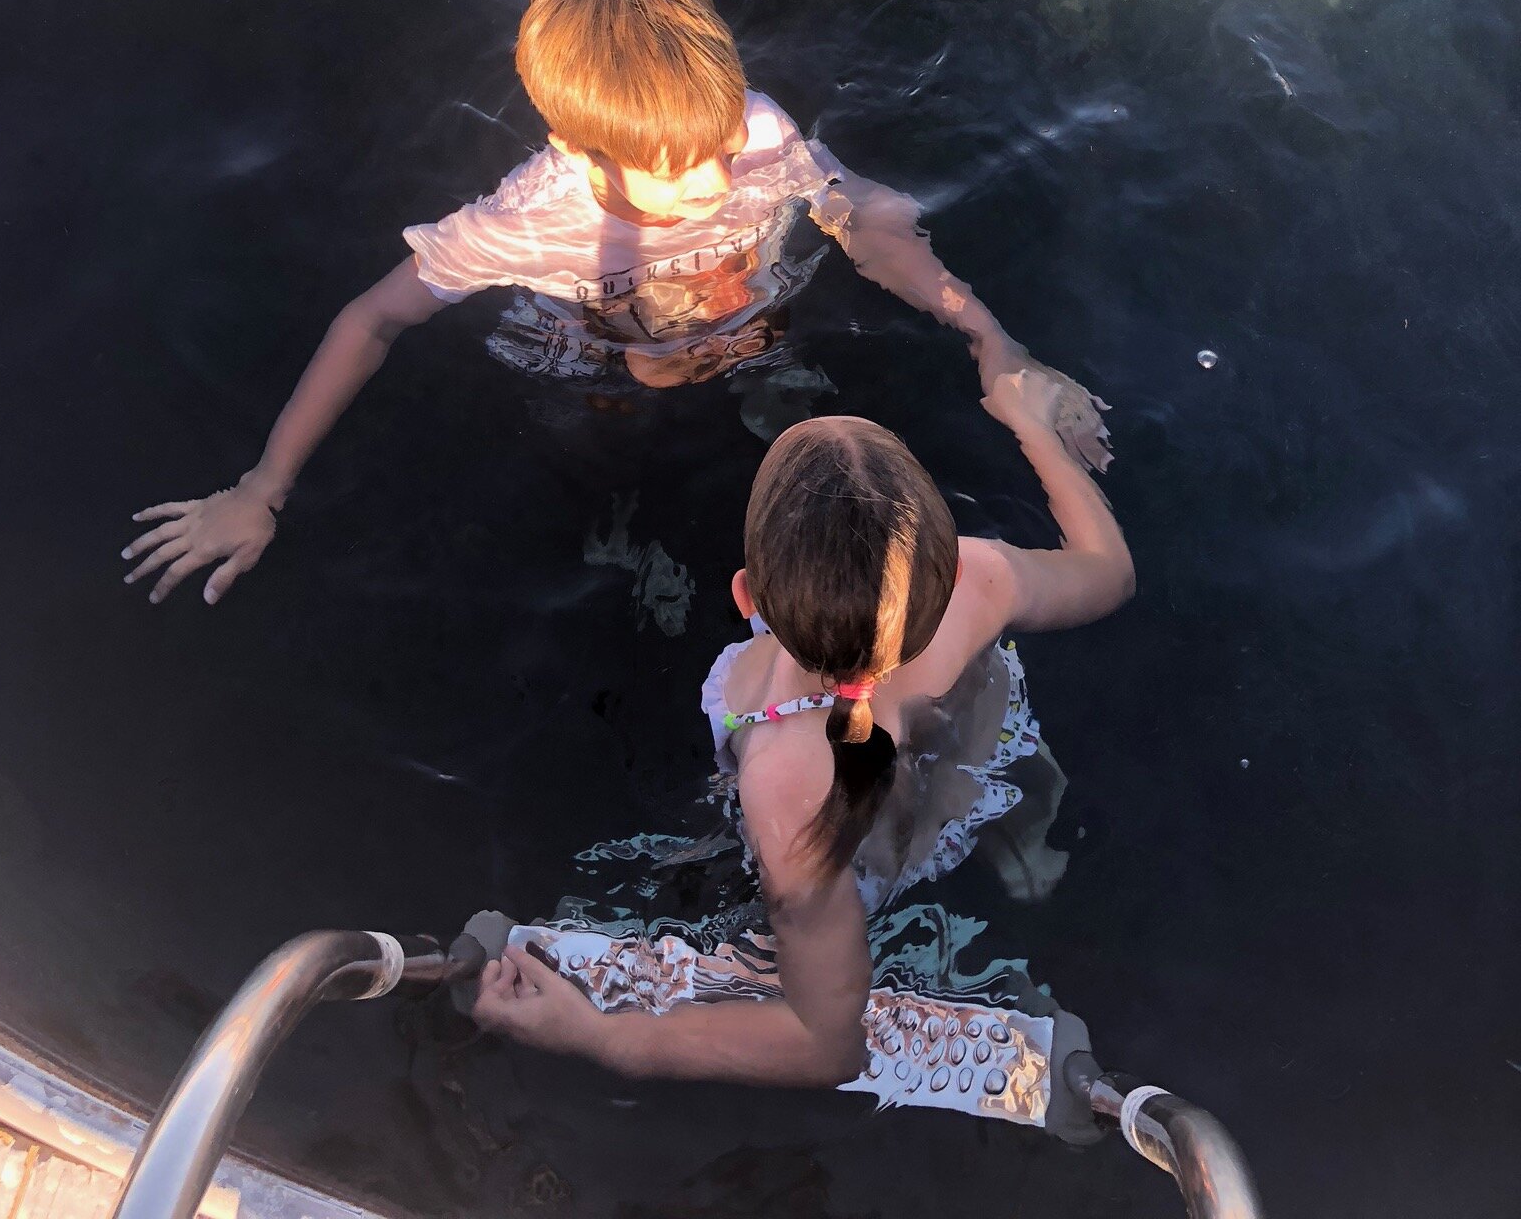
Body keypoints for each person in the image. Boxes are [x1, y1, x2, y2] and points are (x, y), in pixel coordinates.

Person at [124, 0, 1109, 606]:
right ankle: (625, 527)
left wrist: (992, 336)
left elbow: (856, 217)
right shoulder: (532, 220)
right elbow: (372, 318)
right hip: (615, 370)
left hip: (748, 324)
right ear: (574, 144)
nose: (714, 179)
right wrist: (264, 483)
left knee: (845, 291)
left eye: (720, 147)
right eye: (675, 170)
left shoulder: (754, 128)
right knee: (606, 449)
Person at [463, 365, 1133, 1101]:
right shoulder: (981, 578)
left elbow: (826, 1045)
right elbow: (1110, 572)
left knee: (771, 917)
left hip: (855, 844)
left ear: (748, 596)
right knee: (1002, 787)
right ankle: (1023, 849)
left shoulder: (782, 783)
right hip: (985, 761)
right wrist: (1033, 427)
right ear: (937, 576)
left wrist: (601, 1038)